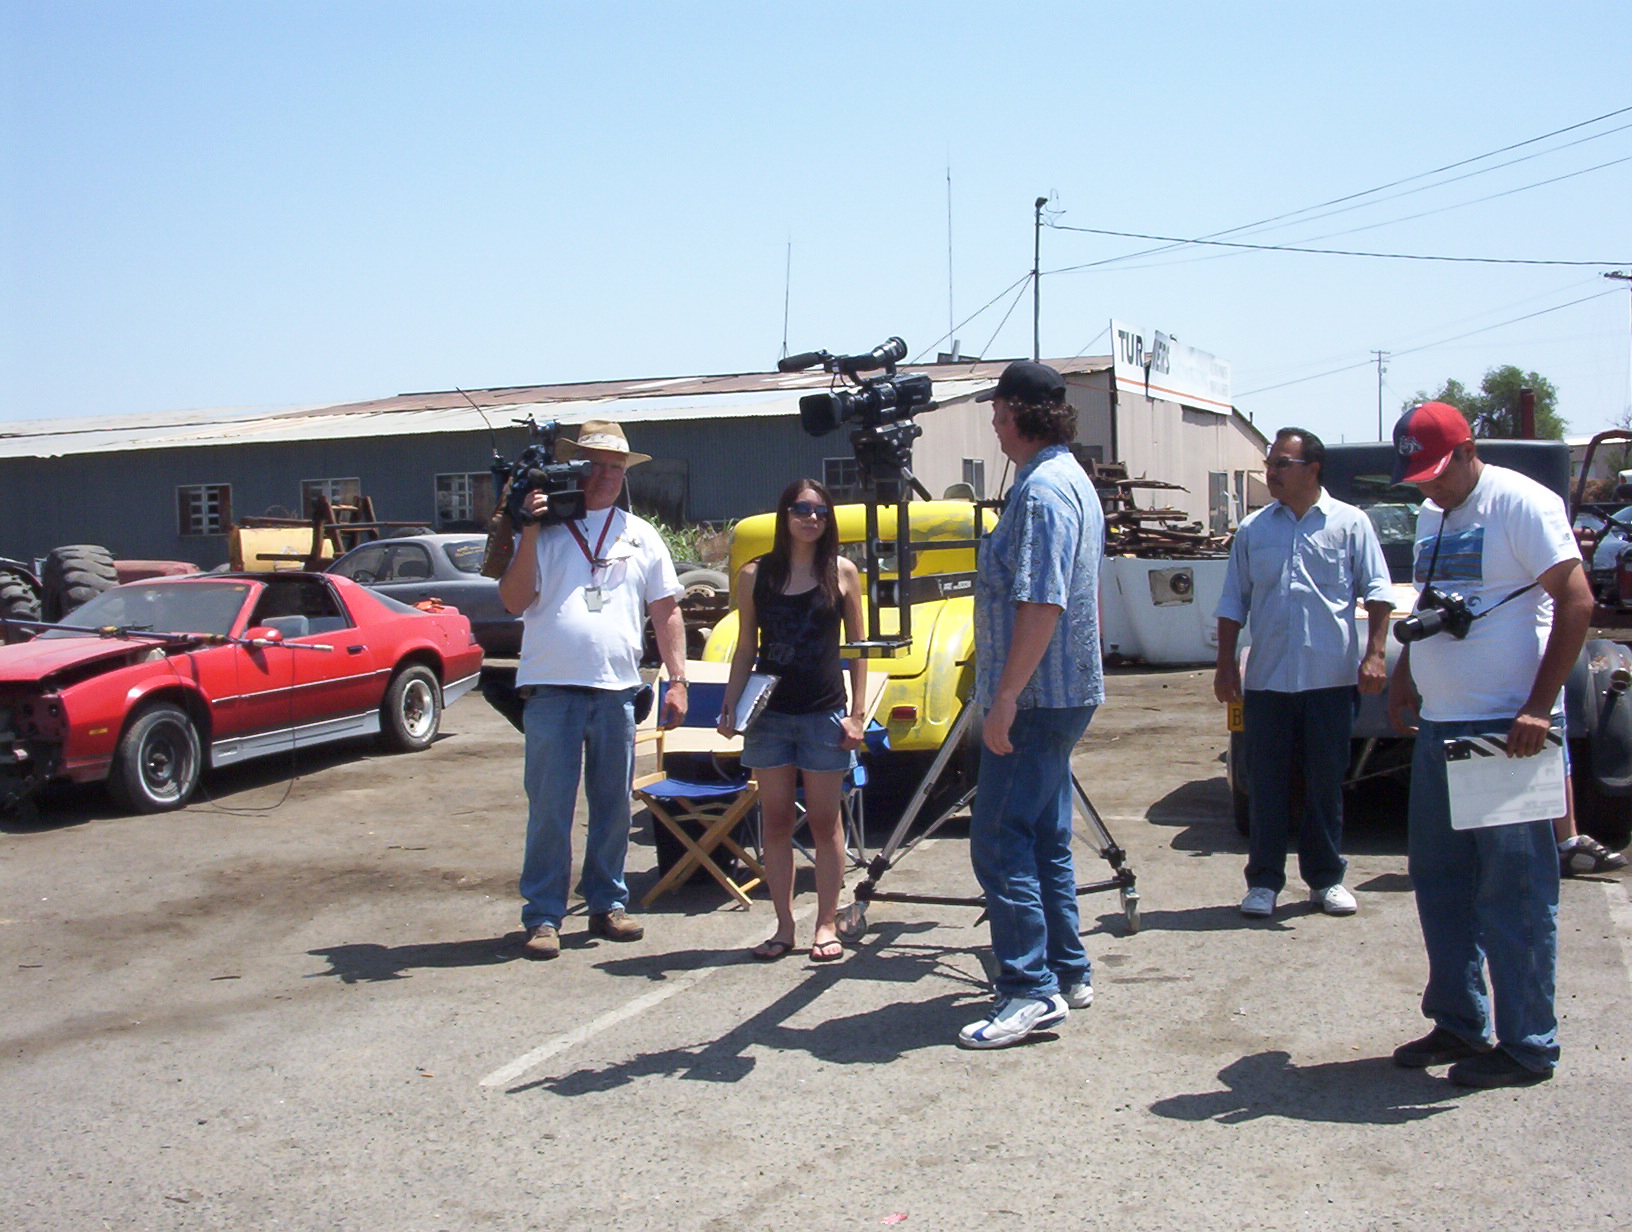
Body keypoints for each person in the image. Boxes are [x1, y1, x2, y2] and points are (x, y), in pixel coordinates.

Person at [1385, 401, 1594, 1087]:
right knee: (1441, 882)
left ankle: (1529, 1044)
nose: (1430, 486)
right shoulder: (1431, 512)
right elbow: (1431, 601)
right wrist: (1409, 675)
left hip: (1505, 730)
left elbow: (1578, 601)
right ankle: (1460, 1021)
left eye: (1438, 473)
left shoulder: (1521, 503)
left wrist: (1538, 706)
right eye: (1418, 477)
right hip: (1445, 723)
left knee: (1516, 892)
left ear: (1470, 449)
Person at [957, 360, 1106, 1049]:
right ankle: (1067, 968)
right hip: (1066, 692)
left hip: (1040, 696)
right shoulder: (1070, 478)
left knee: (997, 839)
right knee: (1045, 834)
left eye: (997, 409)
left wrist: (1005, 698)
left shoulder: (1043, 492)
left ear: (1016, 413)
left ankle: (1027, 988)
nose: (992, 421)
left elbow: (1040, 600)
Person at [498, 420, 688, 960]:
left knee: (612, 806)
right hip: (550, 690)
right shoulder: (542, 529)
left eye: (614, 467)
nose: (604, 476)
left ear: (623, 474)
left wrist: (677, 679)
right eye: (594, 465)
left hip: (617, 691)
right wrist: (529, 529)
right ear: (574, 469)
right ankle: (542, 915)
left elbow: (666, 610)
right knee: (550, 808)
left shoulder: (641, 533)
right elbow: (513, 601)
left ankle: (607, 903)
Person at [1214, 427, 1393, 919]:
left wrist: (1375, 653)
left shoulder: (1350, 524)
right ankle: (1264, 882)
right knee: (1265, 781)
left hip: (1329, 680)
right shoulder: (1254, 530)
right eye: (1269, 463)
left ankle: (1325, 879)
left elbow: (1377, 591)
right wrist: (1226, 664)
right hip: (1268, 681)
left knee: (1324, 782)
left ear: (1312, 469)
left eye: (1281, 464)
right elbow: (1233, 601)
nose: (1270, 473)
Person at [718, 479, 866, 963]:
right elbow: (745, 649)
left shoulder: (842, 572)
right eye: (801, 510)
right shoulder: (754, 575)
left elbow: (857, 652)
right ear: (784, 515)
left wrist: (857, 715)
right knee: (776, 822)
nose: (811, 519)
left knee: (826, 824)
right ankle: (783, 927)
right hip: (770, 718)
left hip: (824, 714)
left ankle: (826, 923)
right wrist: (729, 706)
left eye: (820, 512)